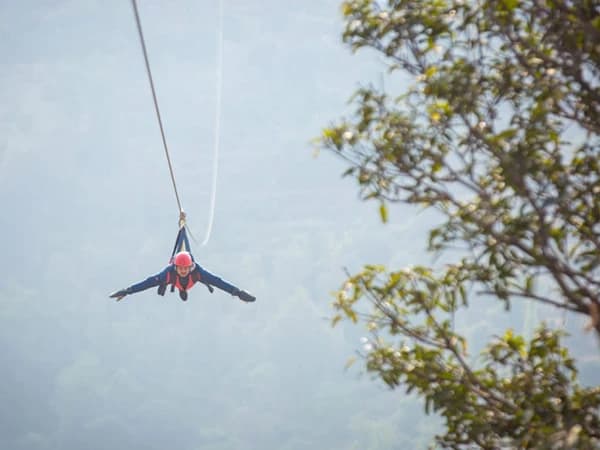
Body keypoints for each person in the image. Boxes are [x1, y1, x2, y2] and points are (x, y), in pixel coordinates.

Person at [109, 250, 256, 303]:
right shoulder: (168, 274)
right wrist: (127, 291)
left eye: (186, 268)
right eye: (181, 268)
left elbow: (218, 282)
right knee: (177, 282)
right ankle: (181, 289)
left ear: (190, 266)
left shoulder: (198, 272)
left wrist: (237, 292)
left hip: (189, 283)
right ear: (176, 267)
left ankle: (183, 290)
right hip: (177, 282)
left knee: (187, 282)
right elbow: (148, 283)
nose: (184, 271)